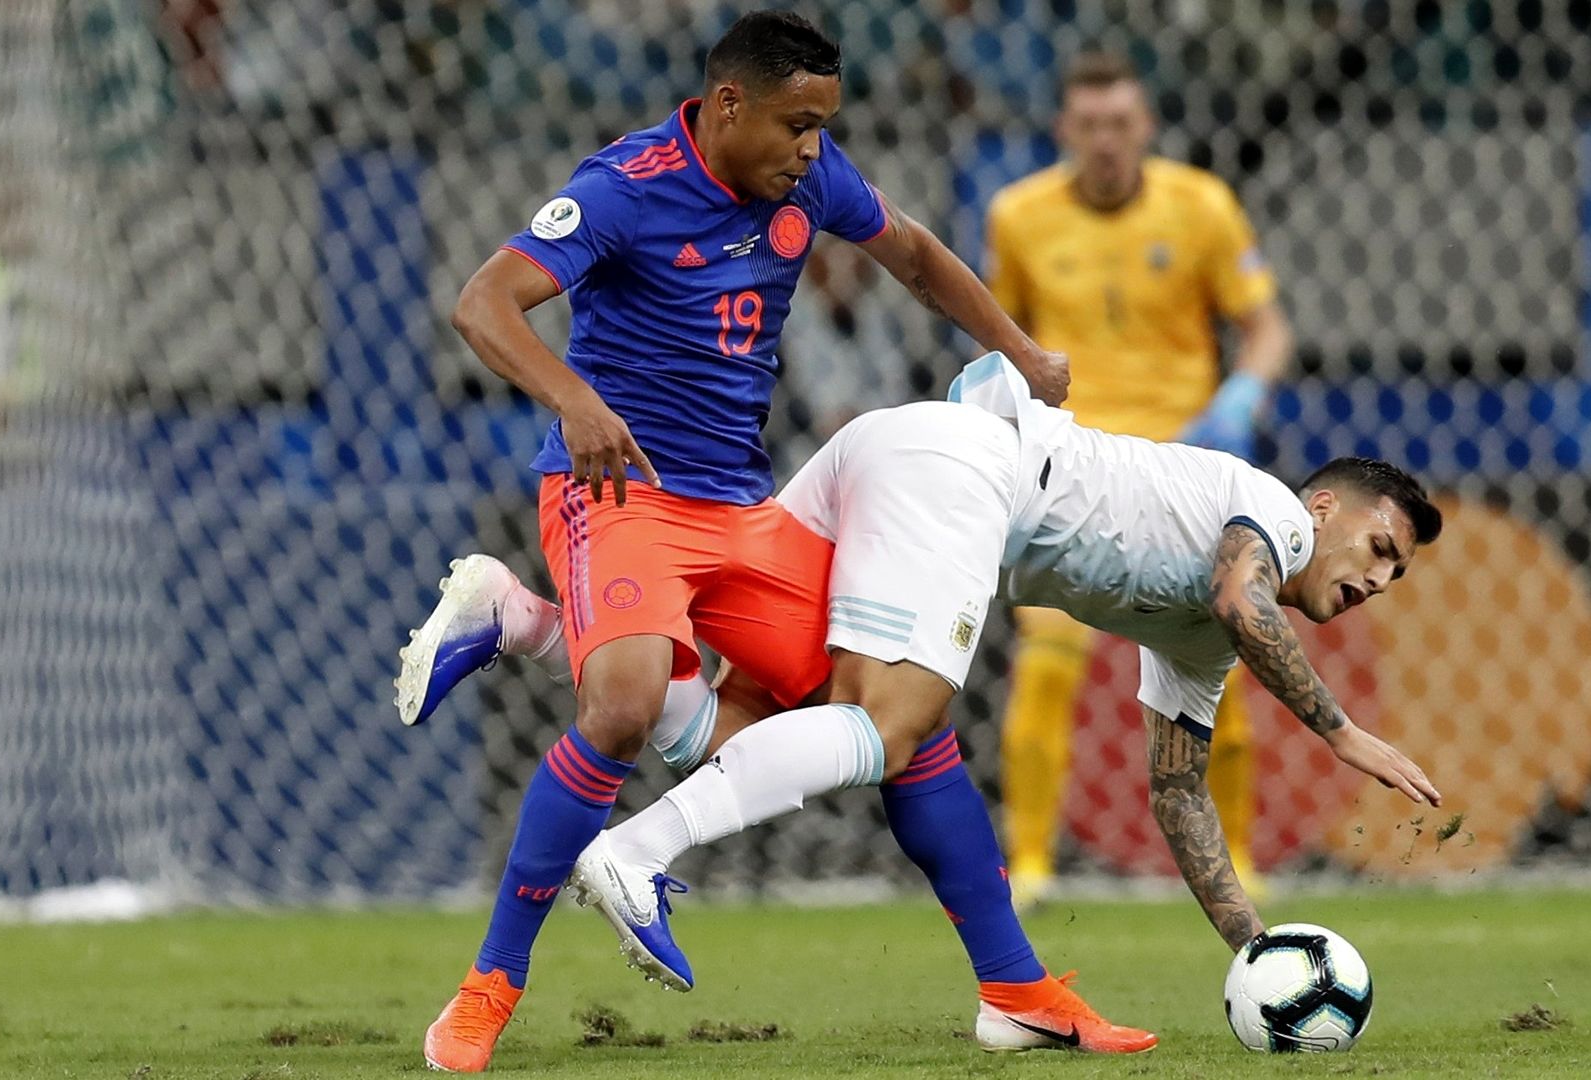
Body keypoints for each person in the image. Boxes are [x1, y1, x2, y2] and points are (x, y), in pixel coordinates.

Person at [415, 10, 1121, 1071]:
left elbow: (915, 254)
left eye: (822, 126)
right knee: (623, 707)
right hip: (618, 494)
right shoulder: (623, 187)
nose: (811, 148)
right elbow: (483, 305)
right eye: (797, 124)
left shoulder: (812, 178)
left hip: (744, 512)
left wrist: (1019, 350)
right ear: (728, 103)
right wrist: (573, 400)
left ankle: (1017, 987)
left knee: (895, 709)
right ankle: (487, 989)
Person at [407, 354, 1440, 1048]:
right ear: (1323, 508)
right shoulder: (1272, 521)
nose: (1377, 578)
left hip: (893, 458)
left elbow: (1179, 794)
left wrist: (1255, 948)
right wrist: (1342, 733)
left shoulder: (1202, 642)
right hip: (964, 474)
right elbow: (1243, 598)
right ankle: (637, 852)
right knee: (891, 729)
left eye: (1395, 575)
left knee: (752, 725)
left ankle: (524, 624)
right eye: (1380, 547)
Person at [983, 52, 1296, 909]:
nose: (1106, 141)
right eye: (1089, 125)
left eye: (1120, 123)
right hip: (1072, 470)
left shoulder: (1202, 205)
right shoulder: (1019, 216)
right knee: (1048, 663)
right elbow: (1000, 335)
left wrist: (1241, 396)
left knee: (1223, 666)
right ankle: (1032, 867)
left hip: (1185, 471)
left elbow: (1267, 329)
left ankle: (1239, 860)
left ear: (1146, 126)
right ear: (1064, 130)